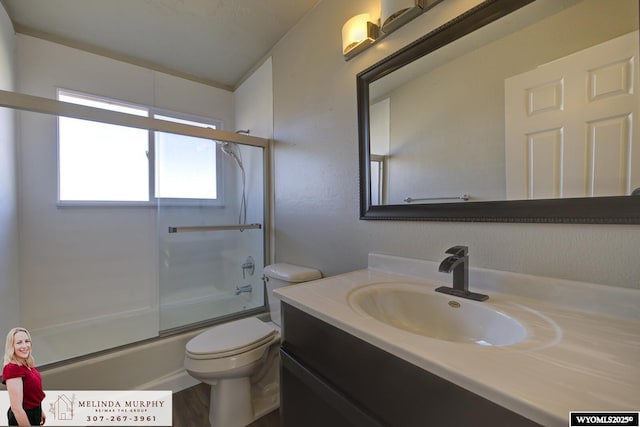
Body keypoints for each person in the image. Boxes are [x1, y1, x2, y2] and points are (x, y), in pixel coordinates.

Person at [2, 328, 46, 426]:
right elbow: (17, 409)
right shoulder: (12, 368)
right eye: (19, 343)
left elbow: (31, 394)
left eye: (27, 341)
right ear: (11, 346)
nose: (25, 346)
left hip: (34, 412)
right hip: (23, 417)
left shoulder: (25, 363)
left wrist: (39, 411)